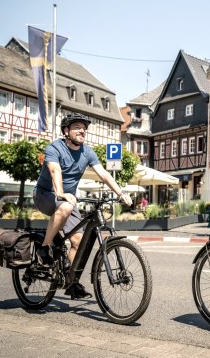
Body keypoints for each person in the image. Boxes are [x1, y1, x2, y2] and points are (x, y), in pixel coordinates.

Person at [34, 112, 131, 299]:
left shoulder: (87, 152)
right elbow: (55, 171)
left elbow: (103, 174)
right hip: (45, 195)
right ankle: (44, 247)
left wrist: (120, 193)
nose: (82, 130)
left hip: (68, 199)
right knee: (66, 206)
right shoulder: (54, 148)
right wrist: (61, 193)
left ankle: (72, 283)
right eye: (77, 127)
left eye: (84, 128)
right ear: (66, 130)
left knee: (78, 241)